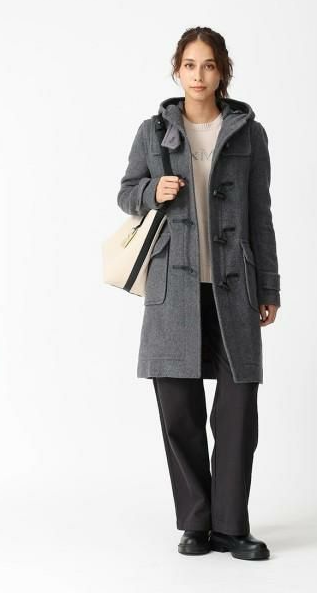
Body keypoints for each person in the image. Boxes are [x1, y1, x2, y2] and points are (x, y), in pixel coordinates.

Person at [117, 27, 281, 561]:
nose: (199, 75)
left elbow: (261, 216)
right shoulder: (153, 132)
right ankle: (196, 524)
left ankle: (232, 526)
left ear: (222, 71)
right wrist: (152, 190)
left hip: (234, 287)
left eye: (209, 65)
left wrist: (270, 286)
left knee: (238, 411)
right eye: (190, 64)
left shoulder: (249, 134)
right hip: (174, 288)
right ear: (177, 70)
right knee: (179, 412)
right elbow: (126, 194)